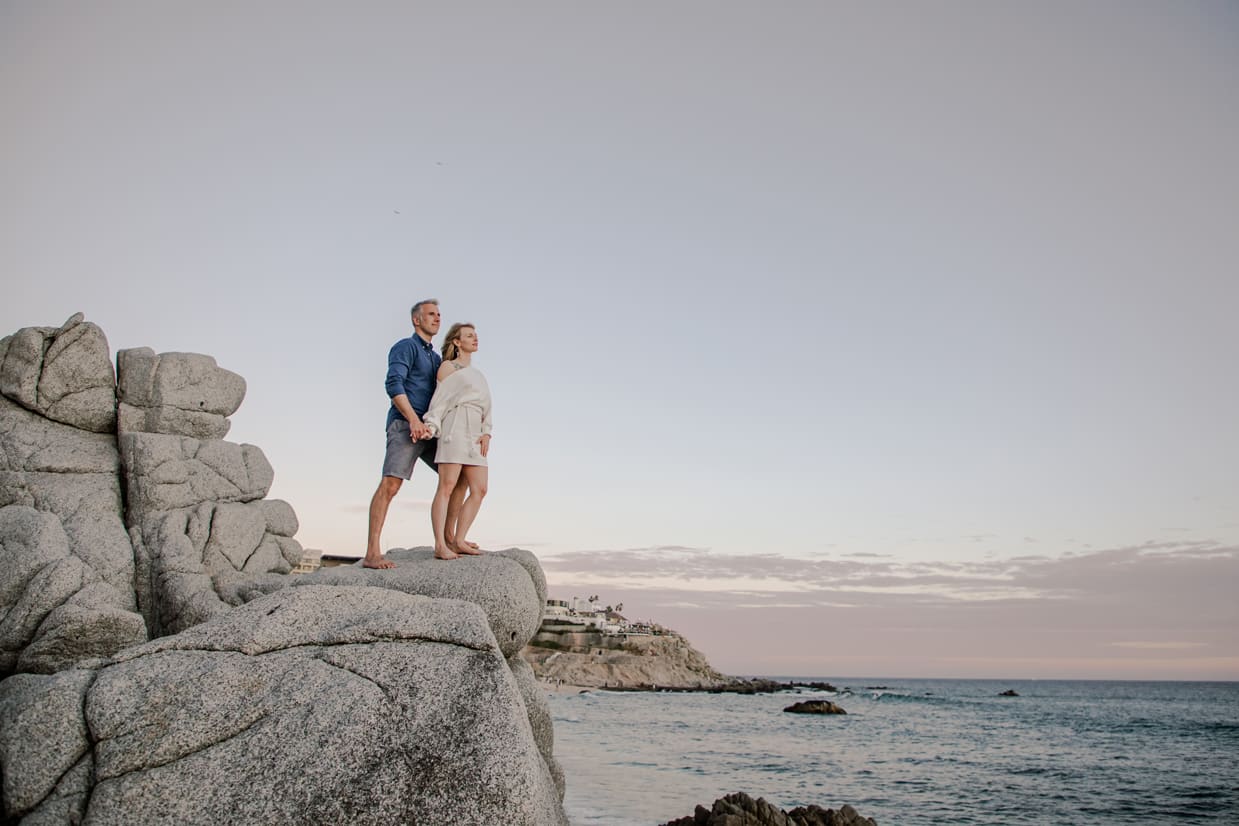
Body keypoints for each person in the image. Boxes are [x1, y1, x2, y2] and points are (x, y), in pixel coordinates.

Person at [363, 299, 471, 569]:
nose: (437, 318)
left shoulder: (436, 359)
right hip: (405, 424)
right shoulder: (405, 347)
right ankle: (372, 553)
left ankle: (448, 539)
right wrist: (412, 419)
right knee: (391, 485)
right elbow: (393, 383)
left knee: (460, 479)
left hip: (432, 428)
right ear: (416, 320)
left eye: (439, 314)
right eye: (431, 314)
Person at [424, 322, 492, 560]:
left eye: (476, 335)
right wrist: (431, 425)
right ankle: (441, 543)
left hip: (475, 430)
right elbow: (440, 400)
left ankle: (459, 538)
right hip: (455, 425)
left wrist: (487, 432)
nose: (475, 339)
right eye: (469, 336)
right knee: (448, 486)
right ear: (456, 341)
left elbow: (487, 406)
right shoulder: (448, 367)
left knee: (480, 488)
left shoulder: (479, 375)